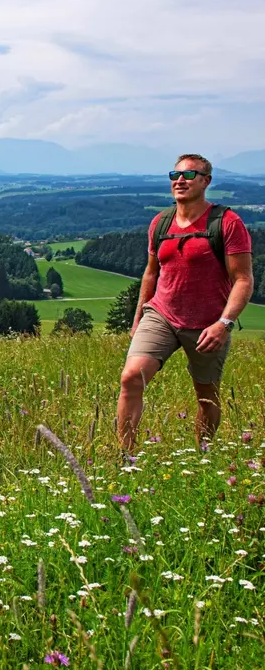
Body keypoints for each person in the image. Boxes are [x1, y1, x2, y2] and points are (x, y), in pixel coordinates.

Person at [117, 153, 254, 451]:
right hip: (162, 315)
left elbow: (243, 279)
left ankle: (201, 454)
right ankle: (126, 459)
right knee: (131, 378)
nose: (180, 180)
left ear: (206, 181)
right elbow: (151, 273)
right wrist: (139, 317)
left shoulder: (228, 223)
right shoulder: (160, 223)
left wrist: (224, 324)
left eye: (190, 175)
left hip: (209, 323)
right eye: (175, 175)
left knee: (206, 396)